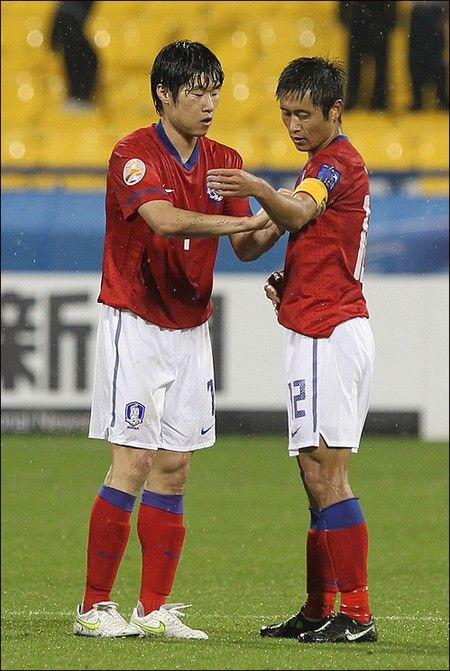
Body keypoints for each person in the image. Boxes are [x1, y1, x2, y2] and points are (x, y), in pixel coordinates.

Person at [73, 40, 269, 639]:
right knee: (131, 461)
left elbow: (246, 247)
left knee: (175, 466)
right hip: (134, 322)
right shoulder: (133, 153)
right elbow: (162, 218)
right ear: (164, 94)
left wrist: (276, 220)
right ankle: (93, 606)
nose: (210, 103)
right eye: (197, 92)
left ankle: (153, 609)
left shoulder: (225, 159)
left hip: (190, 328)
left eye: (215, 90)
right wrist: (246, 215)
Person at [207, 56, 378, 644]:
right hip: (317, 325)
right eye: (285, 114)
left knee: (323, 472)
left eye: (304, 114)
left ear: (335, 111)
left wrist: (258, 188)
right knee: (314, 475)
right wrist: (234, 215)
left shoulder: (335, 165)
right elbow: (252, 247)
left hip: (327, 332)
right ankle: (317, 608)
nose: (293, 125)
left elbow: (301, 210)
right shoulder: (314, 171)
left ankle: (355, 613)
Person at [338, 1, 397, 110]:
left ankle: (362, 98)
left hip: (367, 17)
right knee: (376, 64)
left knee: (364, 64)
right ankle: (377, 100)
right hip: (375, 17)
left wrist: (343, 14)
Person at [50, 0, 98, 112]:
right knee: (86, 58)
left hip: (67, 20)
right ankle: (79, 96)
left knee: (86, 57)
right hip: (68, 20)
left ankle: (79, 96)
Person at [408, 1, 449, 111]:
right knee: (418, 58)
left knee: (436, 59)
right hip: (421, 11)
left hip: (433, 10)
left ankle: (440, 97)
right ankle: (418, 99)